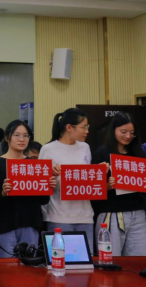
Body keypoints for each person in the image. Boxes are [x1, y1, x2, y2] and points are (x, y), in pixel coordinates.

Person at [39, 108, 107, 251]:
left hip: (85, 216)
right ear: (69, 127)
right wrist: (52, 175)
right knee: (60, 259)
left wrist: (99, 171)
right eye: (84, 127)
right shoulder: (48, 149)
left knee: (85, 260)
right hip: (59, 216)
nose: (87, 131)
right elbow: (41, 184)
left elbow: (86, 180)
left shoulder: (85, 147)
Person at [0, 120, 56, 257]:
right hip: (4, 226)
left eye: (26, 136)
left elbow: (43, 200)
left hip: (30, 224)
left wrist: (49, 186)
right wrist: (3, 193)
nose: (22, 139)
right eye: (17, 135)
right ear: (7, 138)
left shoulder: (35, 165)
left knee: (29, 266)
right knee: (6, 268)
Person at [92, 112, 146, 256]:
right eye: (123, 132)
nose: (128, 136)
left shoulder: (139, 153)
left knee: (138, 259)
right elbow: (92, 189)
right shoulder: (102, 153)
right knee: (111, 258)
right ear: (113, 130)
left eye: (132, 133)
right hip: (113, 213)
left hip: (138, 213)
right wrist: (108, 185)